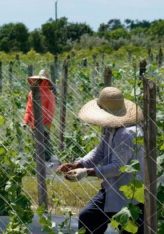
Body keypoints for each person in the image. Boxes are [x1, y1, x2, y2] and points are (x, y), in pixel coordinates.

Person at [56, 87, 145, 234]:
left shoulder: (126, 134)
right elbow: (100, 151)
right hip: (111, 189)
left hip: (130, 196)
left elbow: (117, 167)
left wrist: (85, 172)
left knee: (130, 230)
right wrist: (79, 164)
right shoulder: (113, 128)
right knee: (88, 217)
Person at [22, 69, 56, 162]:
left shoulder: (49, 95)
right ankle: (38, 162)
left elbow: (50, 112)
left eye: (41, 80)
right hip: (35, 124)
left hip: (41, 124)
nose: (39, 82)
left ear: (45, 81)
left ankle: (45, 163)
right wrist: (25, 121)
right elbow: (29, 109)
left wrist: (46, 124)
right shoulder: (32, 93)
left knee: (43, 144)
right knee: (36, 143)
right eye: (38, 80)